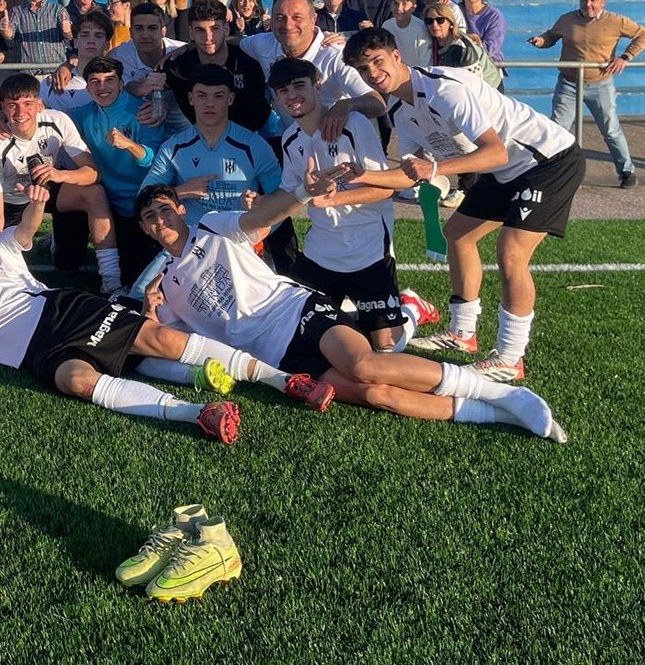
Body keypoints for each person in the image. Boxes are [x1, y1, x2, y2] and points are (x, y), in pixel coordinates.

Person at [135, 184, 568, 441]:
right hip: (279, 359)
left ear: (180, 210)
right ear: (143, 228)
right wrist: (149, 310)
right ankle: (496, 414)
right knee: (378, 395)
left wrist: (301, 193)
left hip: (296, 311)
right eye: (150, 217)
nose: (159, 220)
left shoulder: (212, 225)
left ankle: (501, 394)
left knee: (364, 365)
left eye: (165, 210)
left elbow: (261, 217)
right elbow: (163, 345)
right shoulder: (163, 287)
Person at [342, 27, 586, 382]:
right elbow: (411, 173)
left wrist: (436, 168)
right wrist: (363, 176)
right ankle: (463, 333)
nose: (373, 73)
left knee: (511, 252)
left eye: (377, 62)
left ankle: (510, 358)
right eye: (363, 70)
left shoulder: (444, 89)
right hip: (504, 170)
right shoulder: (397, 108)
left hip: (547, 160)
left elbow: (495, 151)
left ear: (396, 55)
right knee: (457, 234)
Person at [0, 237, 248, 446]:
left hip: (57, 312)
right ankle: (197, 413)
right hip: (36, 351)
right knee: (78, 382)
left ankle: (266, 375)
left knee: (158, 338)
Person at [269, 57, 430, 351]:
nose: (292, 95)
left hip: (368, 249)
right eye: (283, 91)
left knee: (385, 348)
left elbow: (385, 189)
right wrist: (260, 203)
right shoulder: (290, 138)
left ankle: (413, 309)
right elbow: (289, 190)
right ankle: (348, 313)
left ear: (317, 86)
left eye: (299, 86)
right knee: (295, 335)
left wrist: (334, 198)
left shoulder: (354, 125)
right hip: (321, 253)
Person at [0, 72, 120, 291]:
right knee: (11, 264)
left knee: (95, 194)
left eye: (28, 104)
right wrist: (1, 254)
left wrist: (60, 175)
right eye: (13, 105)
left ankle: (112, 280)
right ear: (3, 108)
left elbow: (93, 172)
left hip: (50, 186)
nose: (21, 112)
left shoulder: (57, 120)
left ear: (39, 104)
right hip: (14, 200)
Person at [529, 0, 645, 189]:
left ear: (603, 1)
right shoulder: (567, 19)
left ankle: (626, 171)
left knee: (610, 130)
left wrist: (625, 57)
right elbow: (551, 36)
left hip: (600, 83)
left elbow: (644, 34)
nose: (588, 4)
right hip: (568, 84)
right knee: (558, 128)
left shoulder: (616, 21)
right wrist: (541, 41)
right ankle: (551, 172)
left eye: (593, 0)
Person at [141, 63, 282, 231]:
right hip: (191, 241)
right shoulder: (173, 147)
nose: (209, 103)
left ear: (230, 99)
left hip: (239, 239)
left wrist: (257, 233)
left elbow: (282, 199)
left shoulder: (255, 145)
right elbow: (143, 200)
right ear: (191, 99)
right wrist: (180, 192)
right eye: (201, 96)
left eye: (218, 96)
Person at [68, 55, 167, 284]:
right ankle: (65, 258)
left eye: (109, 80)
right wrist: (2, 116)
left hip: (144, 201)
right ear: (87, 88)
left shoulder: (143, 110)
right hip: (111, 205)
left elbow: (154, 160)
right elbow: (49, 118)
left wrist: (129, 144)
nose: (102, 87)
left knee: (145, 277)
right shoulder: (83, 114)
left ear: (121, 84)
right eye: (95, 82)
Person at [241, 0, 385, 138]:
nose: (288, 25)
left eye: (297, 17)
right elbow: (233, 43)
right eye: (279, 18)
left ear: (313, 19)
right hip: (291, 144)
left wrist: (346, 106)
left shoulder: (336, 56)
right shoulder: (264, 44)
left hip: (334, 144)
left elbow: (377, 103)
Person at [163, 0, 271, 135]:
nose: (208, 37)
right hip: (204, 138)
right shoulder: (178, 68)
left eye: (214, 28)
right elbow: (152, 86)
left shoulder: (250, 61)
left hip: (258, 133)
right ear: (191, 33)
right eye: (200, 30)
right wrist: (160, 100)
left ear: (225, 29)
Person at [115, 1, 187, 131]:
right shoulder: (118, 56)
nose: (145, 35)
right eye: (139, 29)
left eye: (152, 28)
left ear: (163, 31)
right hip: (137, 130)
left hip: (183, 130)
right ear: (130, 32)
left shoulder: (182, 53)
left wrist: (167, 102)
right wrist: (137, 88)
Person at [2, 0, 72, 73]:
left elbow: (70, 37)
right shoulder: (17, 12)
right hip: (29, 76)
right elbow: (9, 34)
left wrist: (68, 31)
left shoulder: (58, 10)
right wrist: (4, 29)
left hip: (55, 74)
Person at [428, 0, 503, 89]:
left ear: (450, 22)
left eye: (440, 20)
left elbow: (473, 85)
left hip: (489, 88)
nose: (434, 25)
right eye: (429, 21)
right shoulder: (434, 42)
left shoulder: (463, 48)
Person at [458, 0, 507, 64]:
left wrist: (469, 41)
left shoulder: (494, 16)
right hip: (460, 63)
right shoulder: (455, 11)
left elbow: (490, 49)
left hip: (489, 65)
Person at [382, 0, 430, 68]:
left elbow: (426, 64)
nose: (399, 8)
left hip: (417, 73)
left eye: (404, 4)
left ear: (413, 8)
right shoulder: (386, 26)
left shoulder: (421, 29)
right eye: (396, 3)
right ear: (390, 5)